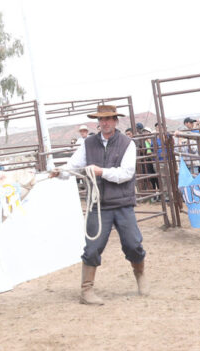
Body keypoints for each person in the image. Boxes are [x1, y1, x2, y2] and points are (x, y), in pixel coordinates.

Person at [49, 104, 146, 305]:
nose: (105, 123)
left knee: (133, 244)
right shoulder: (88, 144)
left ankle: (140, 275)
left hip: (122, 202)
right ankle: (86, 290)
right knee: (92, 247)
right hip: (98, 203)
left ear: (115, 121)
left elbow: (126, 173)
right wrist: (60, 171)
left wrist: (101, 171)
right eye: (101, 120)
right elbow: (73, 166)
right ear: (98, 122)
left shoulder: (128, 143)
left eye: (109, 119)